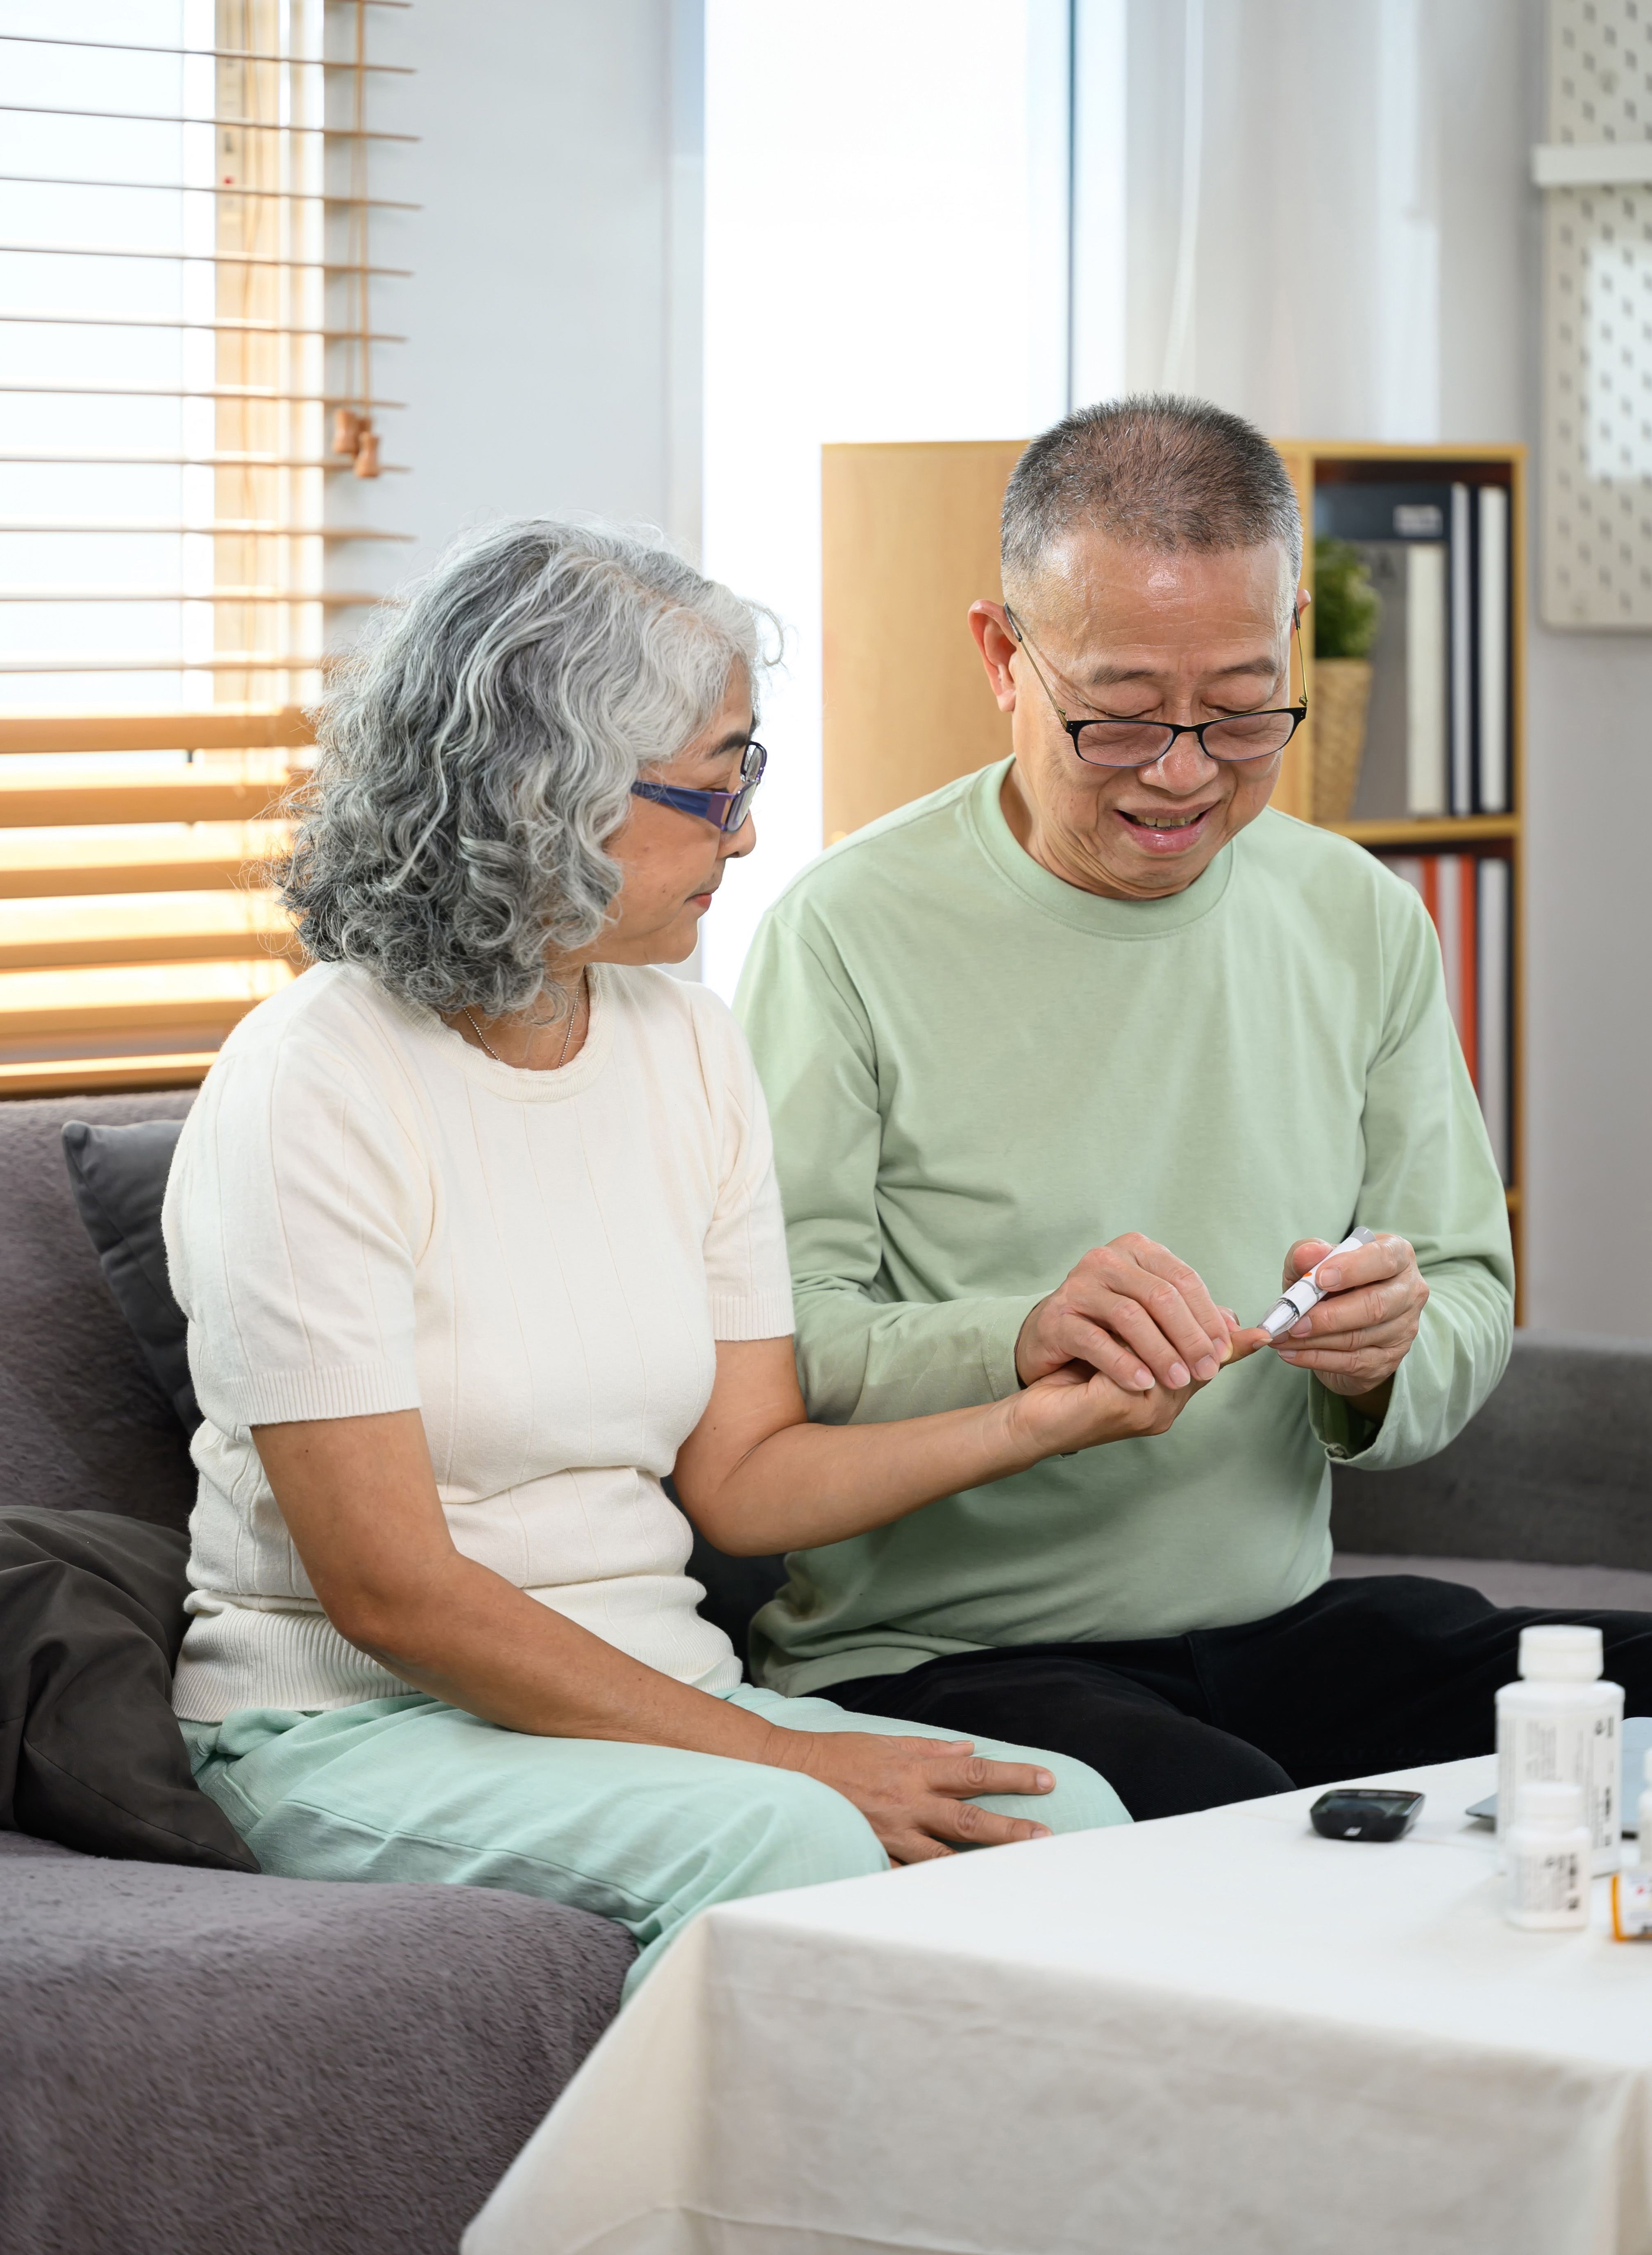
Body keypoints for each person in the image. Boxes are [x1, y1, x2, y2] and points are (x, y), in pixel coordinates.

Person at [164, 520, 1135, 1996]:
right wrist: (789, 1761)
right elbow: (390, 1594)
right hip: (353, 1728)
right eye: (717, 778)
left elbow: (743, 1482)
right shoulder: (316, 1080)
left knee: (1082, 1825)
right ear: (545, 796)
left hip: (656, 1704)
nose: (745, 832)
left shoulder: (686, 1041)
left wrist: (1036, 1418)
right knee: (790, 1850)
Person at [735, 394, 1652, 1815]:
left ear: (1288, 645)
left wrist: (1376, 1358)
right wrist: (1021, 1339)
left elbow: (1466, 1288)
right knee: (1237, 1821)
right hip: (946, 1656)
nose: (1180, 777)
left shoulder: (1357, 915)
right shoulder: (843, 933)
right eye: (1118, 721)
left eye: (1237, 717)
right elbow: (777, 1350)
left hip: (1276, 1623)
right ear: (1003, 657)